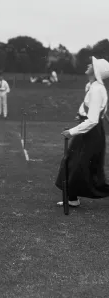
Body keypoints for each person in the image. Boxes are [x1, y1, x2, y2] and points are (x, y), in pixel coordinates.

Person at [56, 56, 109, 207]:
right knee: (75, 163)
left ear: (96, 71)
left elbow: (93, 120)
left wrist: (71, 132)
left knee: (84, 167)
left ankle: (74, 197)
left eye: (91, 64)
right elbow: (93, 110)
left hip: (91, 133)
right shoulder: (92, 86)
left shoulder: (97, 89)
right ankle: (72, 198)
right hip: (88, 130)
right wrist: (81, 114)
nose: (88, 64)